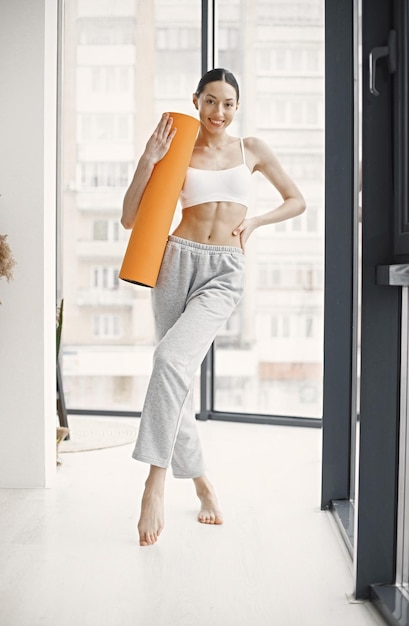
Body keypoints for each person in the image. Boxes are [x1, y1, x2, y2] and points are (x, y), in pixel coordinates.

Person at [121, 68, 306, 546]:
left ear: (237, 106)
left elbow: (297, 200)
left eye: (227, 103)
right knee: (173, 376)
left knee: (168, 362)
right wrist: (149, 159)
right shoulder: (178, 148)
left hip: (225, 269)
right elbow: (128, 217)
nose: (217, 112)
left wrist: (257, 222)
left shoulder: (253, 150)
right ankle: (203, 485)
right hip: (175, 264)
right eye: (209, 102)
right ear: (196, 101)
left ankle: (154, 484)